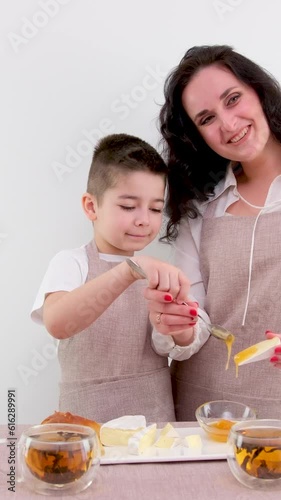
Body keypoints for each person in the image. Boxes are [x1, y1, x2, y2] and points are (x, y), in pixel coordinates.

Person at [149, 45, 281, 420]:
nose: (228, 124)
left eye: (233, 98)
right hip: (203, 414)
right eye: (206, 118)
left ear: (259, 90)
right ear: (196, 134)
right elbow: (198, 315)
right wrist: (180, 327)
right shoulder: (201, 205)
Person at [31, 133, 197, 423]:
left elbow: (174, 346)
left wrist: (182, 330)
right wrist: (128, 270)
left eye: (156, 208)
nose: (144, 219)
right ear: (91, 207)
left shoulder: (160, 271)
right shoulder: (71, 263)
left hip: (153, 422)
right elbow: (58, 323)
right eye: (128, 206)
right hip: (86, 422)